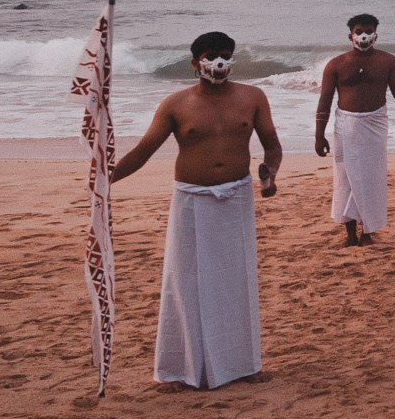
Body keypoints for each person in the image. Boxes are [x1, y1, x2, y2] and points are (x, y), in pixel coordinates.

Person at [111, 32, 282, 389]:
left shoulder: (252, 97)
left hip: (235, 197)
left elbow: (272, 145)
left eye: (226, 55)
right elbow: (143, 151)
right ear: (194, 62)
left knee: (237, 280)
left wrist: (270, 174)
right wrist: (105, 179)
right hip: (191, 198)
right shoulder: (176, 104)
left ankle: (244, 365)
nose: (219, 63)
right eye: (210, 56)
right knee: (185, 280)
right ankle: (179, 370)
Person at [314, 14, 395, 247]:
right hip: (346, 125)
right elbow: (325, 101)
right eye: (359, 32)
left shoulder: (388, 61)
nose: (364, 36)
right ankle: (350, 234)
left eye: (369, 31)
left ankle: (367, 232)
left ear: (376, 35)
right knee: (346, 178)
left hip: (375, 124)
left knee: (371, 178)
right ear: (350, 36)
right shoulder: (336, 65)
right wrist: (319, 135)